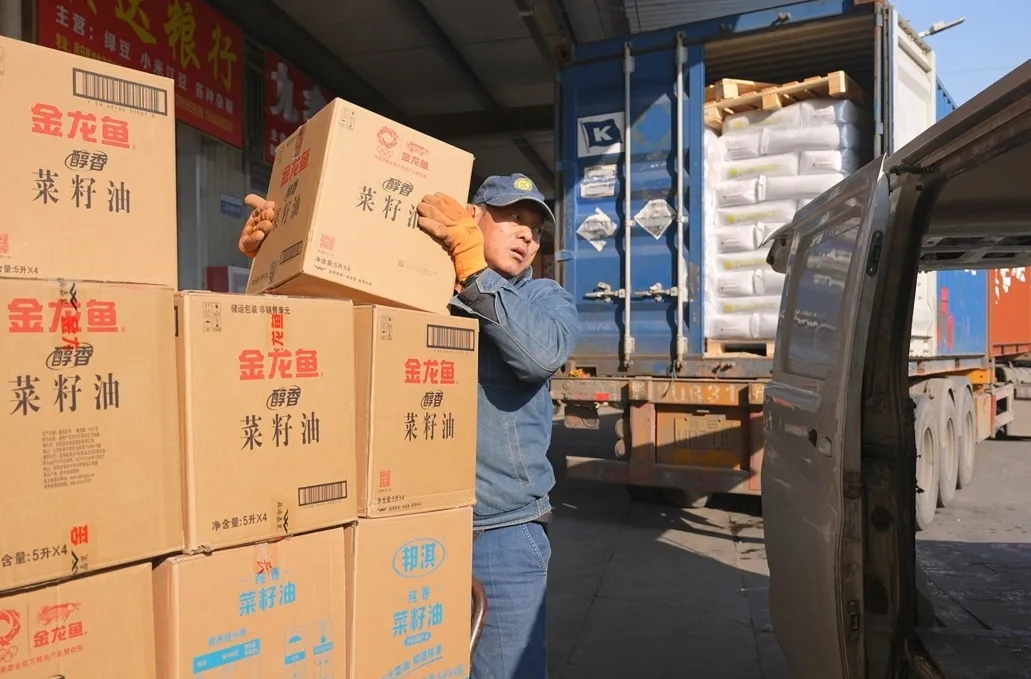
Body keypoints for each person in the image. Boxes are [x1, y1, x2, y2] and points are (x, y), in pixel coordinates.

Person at [239, 173, 580, 679]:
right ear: (472, 216)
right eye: (512, 217)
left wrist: (474, 271)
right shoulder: (423, 285)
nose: (527, 234)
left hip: (500, 533)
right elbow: (328, 329)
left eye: (536, 228)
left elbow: (540, 355)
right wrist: (274, 260)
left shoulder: (545, 298)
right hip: (404, 526)